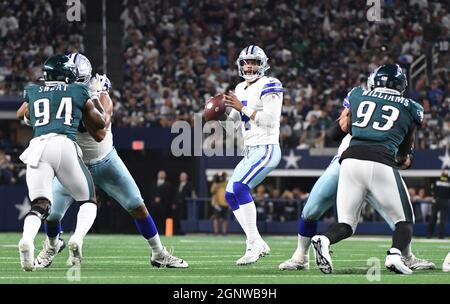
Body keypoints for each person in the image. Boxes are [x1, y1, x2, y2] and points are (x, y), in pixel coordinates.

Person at [26, 54, 187, 269]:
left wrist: (95, 98)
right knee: (52, 215)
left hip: (105, 161)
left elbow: (100, 133)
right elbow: (27, 113)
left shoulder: (99, 97)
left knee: (137, 205)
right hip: (73, 163)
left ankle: (159, 253)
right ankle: (53, 245)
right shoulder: (63, 95)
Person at [279, 71, 435, 271]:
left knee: (368, 220)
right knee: (401, 219)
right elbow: (339, 130)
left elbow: (335, 132)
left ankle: (408, 256)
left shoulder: (358, 95)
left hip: (354, 161)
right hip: (361, 161)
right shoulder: (407, 106)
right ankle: (300, 255)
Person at [16, 54, 106, 271]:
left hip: (38, 147)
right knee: (88, 199)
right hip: (64, 145)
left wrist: (37, 116)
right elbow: (100, 122)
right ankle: (77, 238)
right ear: (67, 74)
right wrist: (95, 96)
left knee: (40, 205)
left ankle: (27, 239)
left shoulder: (33, 90)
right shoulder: (78, 90)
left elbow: (21, 115)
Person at [222, 45, 282, 265]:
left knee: (239, 187)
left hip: (266, 147)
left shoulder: (270, 84)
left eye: (254, 62)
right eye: (246, 62)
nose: (250, 66)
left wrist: (242, 108)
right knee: (230, 194)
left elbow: (270, 120)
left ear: (263, 64)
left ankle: (253, 243)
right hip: (249, 150)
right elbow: (233, 125)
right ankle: (256, 240)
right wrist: (222, 111)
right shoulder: (239, 88)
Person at [427, 168, 450, 239]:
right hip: (443, 201)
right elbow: (432, 189)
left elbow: (432, 190)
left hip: (439, 201)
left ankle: (430, 234)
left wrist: (433, 197)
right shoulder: (446, 180)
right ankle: (440, 235)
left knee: (435, 218)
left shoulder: (437, 180)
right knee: (440, 219)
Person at [210, 172, 229, 236]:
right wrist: (215, 180)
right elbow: (212, 190)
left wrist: (224, 177)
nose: (220, 178)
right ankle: (216, 232)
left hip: (225, 203)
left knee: (225, 218)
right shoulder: (216, 184)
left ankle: (224, 232)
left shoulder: (226, 183)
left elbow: (229, 189)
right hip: (217, 204)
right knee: (216, 218)